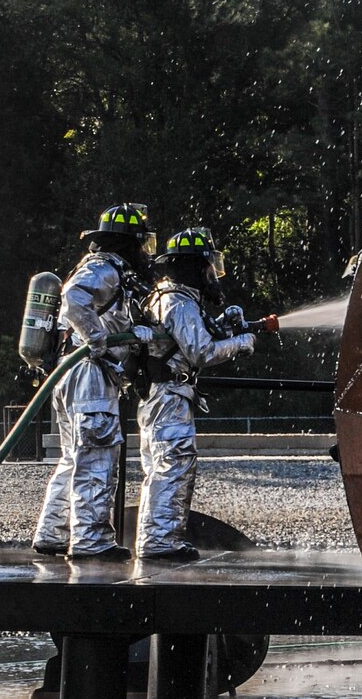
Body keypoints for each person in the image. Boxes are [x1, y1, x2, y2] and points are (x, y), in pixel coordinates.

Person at [31, 203, 156, 561]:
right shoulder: (106, 267)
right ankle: (91, 542)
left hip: (72, 373)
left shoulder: (102, 268)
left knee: (73, 457)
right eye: (140, 243)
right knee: (97, 457)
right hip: (89, 373)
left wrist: (129, 334)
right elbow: (73, 300)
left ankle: (53, 534)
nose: (145, 252)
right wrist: (98, 339)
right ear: (126, 243)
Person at [135, 228, 258, 560]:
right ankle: (160, 543)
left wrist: (224, 322)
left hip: (162, 395)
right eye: (208, 267)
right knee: (173, 465)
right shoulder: (179, 302)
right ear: (194, 267)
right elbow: (201, 352)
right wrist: (240, 344)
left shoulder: (170, 297)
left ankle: (159, 539)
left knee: (163, 466)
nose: (212, 275)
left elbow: (184, 341)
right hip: (170, 396)